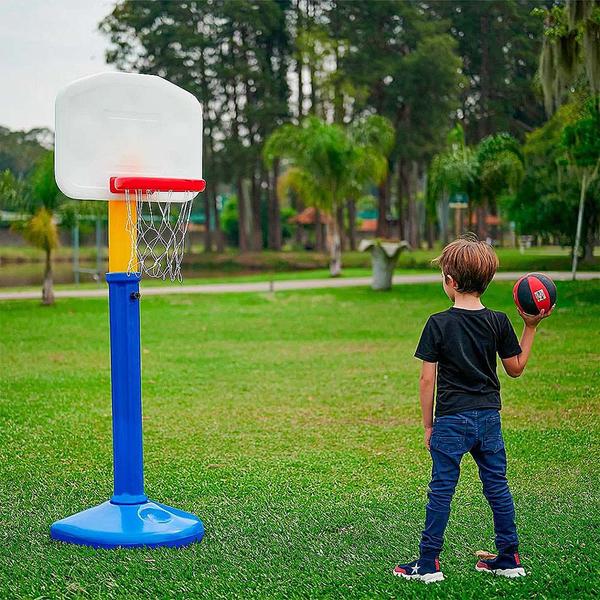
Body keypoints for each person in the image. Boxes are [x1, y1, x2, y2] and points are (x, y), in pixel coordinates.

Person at [393, 234, 553, 584]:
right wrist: (530, 326)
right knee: (497, 486)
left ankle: (428, 563)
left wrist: (427, 426)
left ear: (449, 282)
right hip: (489, 421)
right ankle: (509, 557)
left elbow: (426, 381)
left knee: (442, 489)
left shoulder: (438, 323)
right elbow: (515, 368)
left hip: (451, 421)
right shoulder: (498, 321)